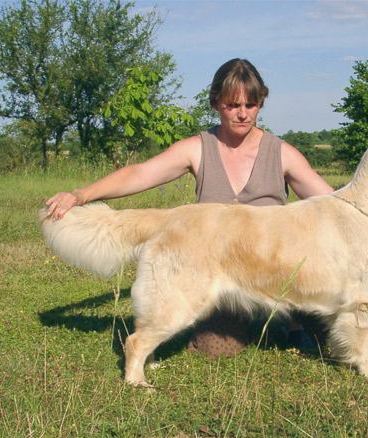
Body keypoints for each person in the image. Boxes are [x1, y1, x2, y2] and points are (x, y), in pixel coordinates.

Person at [46, 58, 334, 357]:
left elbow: (332, 204)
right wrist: (80, 196)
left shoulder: (282, 153)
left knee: (324, 323)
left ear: (260, 103)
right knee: (216, 349)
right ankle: (248, 320)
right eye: (232, 105)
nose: (243, 114)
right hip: (219, 274)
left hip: (278, 269)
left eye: (251, 104)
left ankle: (293, 322)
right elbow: (139, 174)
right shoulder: (196, 149)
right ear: (216, 103)